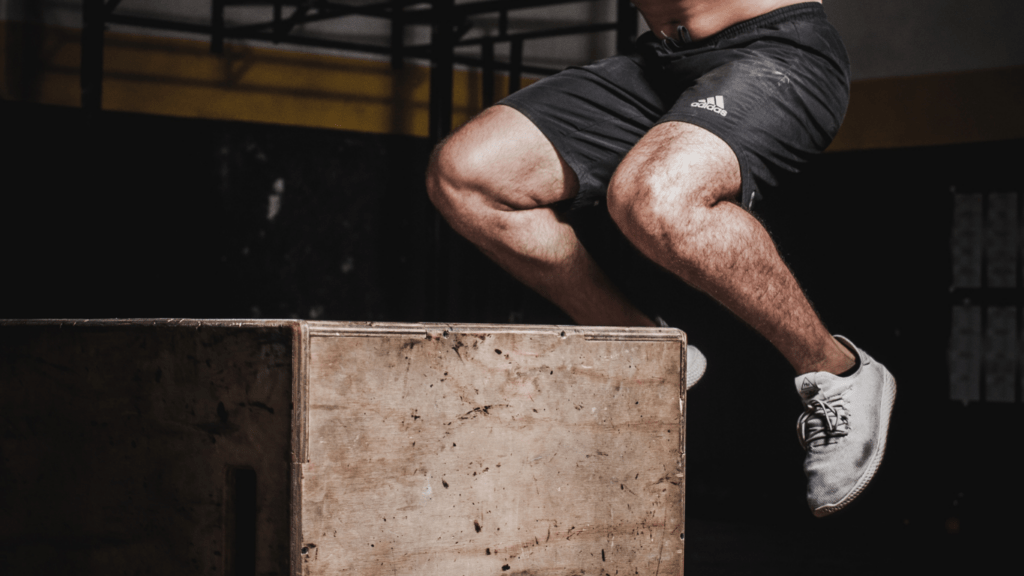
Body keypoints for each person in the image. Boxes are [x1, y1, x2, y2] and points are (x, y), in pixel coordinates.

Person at [426, 0, 895, 517]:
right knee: (468, 174)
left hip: (774, 50)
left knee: (655, 197)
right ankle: (650, 353)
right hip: (662, 64)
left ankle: (837, 372)